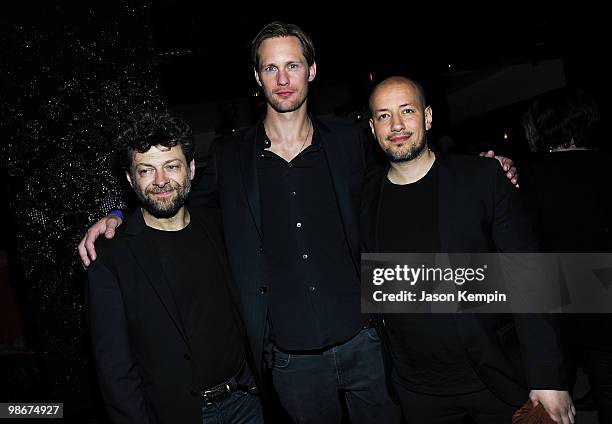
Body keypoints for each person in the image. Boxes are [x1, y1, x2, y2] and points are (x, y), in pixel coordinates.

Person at [79, 22, 517, 423]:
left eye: (293, 65)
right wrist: (119, 215)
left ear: (311, 71)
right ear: (257, 77)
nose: (283, 78)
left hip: (366, 341)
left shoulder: (349, 141)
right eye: (271, 68)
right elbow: (173, 195)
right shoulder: (232, 158)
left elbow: (407, 170)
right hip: (290, 360)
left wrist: (477, 169)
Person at [362, 76, 575, 424]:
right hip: (416, 392)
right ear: (372, 128)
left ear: (428, 117)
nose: (397, 125)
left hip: (493, 380)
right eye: (384, 116)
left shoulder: (481, 178)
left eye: (407, 111)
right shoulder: (365, 196)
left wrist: (548, 376)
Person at [86, 111, 263, 424]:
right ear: (130, 178)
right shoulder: (111, 257)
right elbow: (115, 370)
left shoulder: (220, 226)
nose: (161, 181)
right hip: (180, 414)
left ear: (191, 169)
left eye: (172, 166)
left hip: (246, 401)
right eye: (146, 170)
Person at [521, 86, 612, 424]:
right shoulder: (605, 166)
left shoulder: (532, 178)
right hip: (604, 299)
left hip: (558, 306)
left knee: (554, 403)